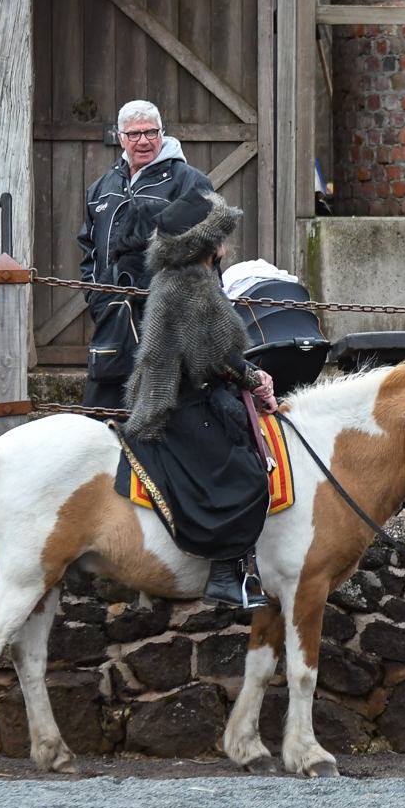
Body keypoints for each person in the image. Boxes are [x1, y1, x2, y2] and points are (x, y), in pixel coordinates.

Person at [120, 190, 278, 609]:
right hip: (176, 403)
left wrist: (248, 375)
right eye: (222, 233)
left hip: (194, 391)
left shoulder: (191, 277)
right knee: (244, 476)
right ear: (208, 243)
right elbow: (213, 357)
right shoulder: (190, 284)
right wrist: (255, 378)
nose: (227, 241)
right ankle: (224, 577)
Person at [77, 100, 212, 410]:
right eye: (134, 134)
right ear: (120, 138)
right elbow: (88, 248)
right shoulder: (102, 188)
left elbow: (207, 249)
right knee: (104, 409)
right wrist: (96, 296)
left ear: (162, 133)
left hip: (169, 320)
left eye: (151, 132)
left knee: (165, 409)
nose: (143, 141)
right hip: (113, 319)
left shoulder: (189, 182)